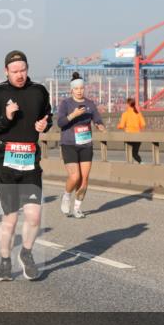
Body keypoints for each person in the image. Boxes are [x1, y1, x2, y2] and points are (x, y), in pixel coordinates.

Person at [0, 50, 52, 282]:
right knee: (9, 220)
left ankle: (26, 253)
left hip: (30, 161)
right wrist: (6, 118)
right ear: (6, 71)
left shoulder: (38, 91)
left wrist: (44, 124)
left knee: (34, 216)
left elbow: (46, 116)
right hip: (5, 162)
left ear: (27, 69)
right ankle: (4, 260)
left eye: (23, 70)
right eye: (15, 71)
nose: (19, 75)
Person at [56, 72, 106, 218]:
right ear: (72, 90)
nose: (79, 91)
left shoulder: (90, 104)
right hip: (69, 143)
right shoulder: (66, 103)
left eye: (81, 88)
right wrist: (73, 115)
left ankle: (77, 208)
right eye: (76, 88)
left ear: (84, 89)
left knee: (84, 179)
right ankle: (66, 196)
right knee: (75, 177)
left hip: (85, 144)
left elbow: (97, 118)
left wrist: (100, 125)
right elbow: (60, 122)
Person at [117, 97, 146, 163]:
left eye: (126, 104)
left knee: (129, 154)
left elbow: (121, 126)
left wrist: (118, 126)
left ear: (128, 104)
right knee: (135, 153)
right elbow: (143, 124)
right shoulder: (138, 113)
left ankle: (130, 167)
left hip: (128, 136)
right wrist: (137, 128)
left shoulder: (125, 114)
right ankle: (141, 164)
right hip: (137, 136)